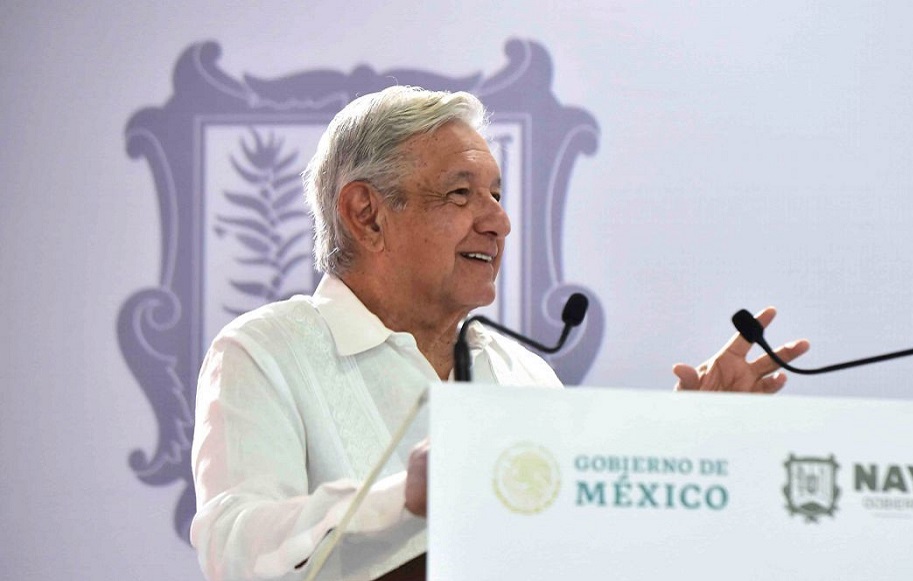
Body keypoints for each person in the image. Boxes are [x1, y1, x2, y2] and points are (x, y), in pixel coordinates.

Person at [190, 86, 810, 581]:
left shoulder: (521, 370)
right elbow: (234, 549)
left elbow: (585, 541)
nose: (500, 222)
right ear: (366, 213)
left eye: (496, 194)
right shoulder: (266, 351)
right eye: (461, 195)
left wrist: (680, 444)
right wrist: (405, 497)